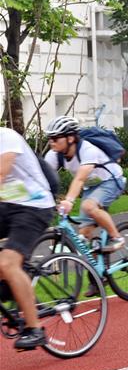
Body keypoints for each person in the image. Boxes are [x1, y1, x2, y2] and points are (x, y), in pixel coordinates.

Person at [0, 127, 55, 350]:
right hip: (7, 206)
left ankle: (35, 328)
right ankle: (8, 287)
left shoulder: (7, 138)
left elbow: (1, 175)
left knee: (7, 263)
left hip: (33, 207)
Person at [44, 116, 126, 252]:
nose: (51, 142)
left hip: (111, 180)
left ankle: (117, 238)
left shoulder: (88, 150)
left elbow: (80, 179)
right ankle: (96, 272)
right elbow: (44, 178)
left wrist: (69, 201)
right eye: (50, 139)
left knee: (88, 206)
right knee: (84, 236)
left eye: (55, 138)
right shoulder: (54, 155)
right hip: (91, 186)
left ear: (70, 138)